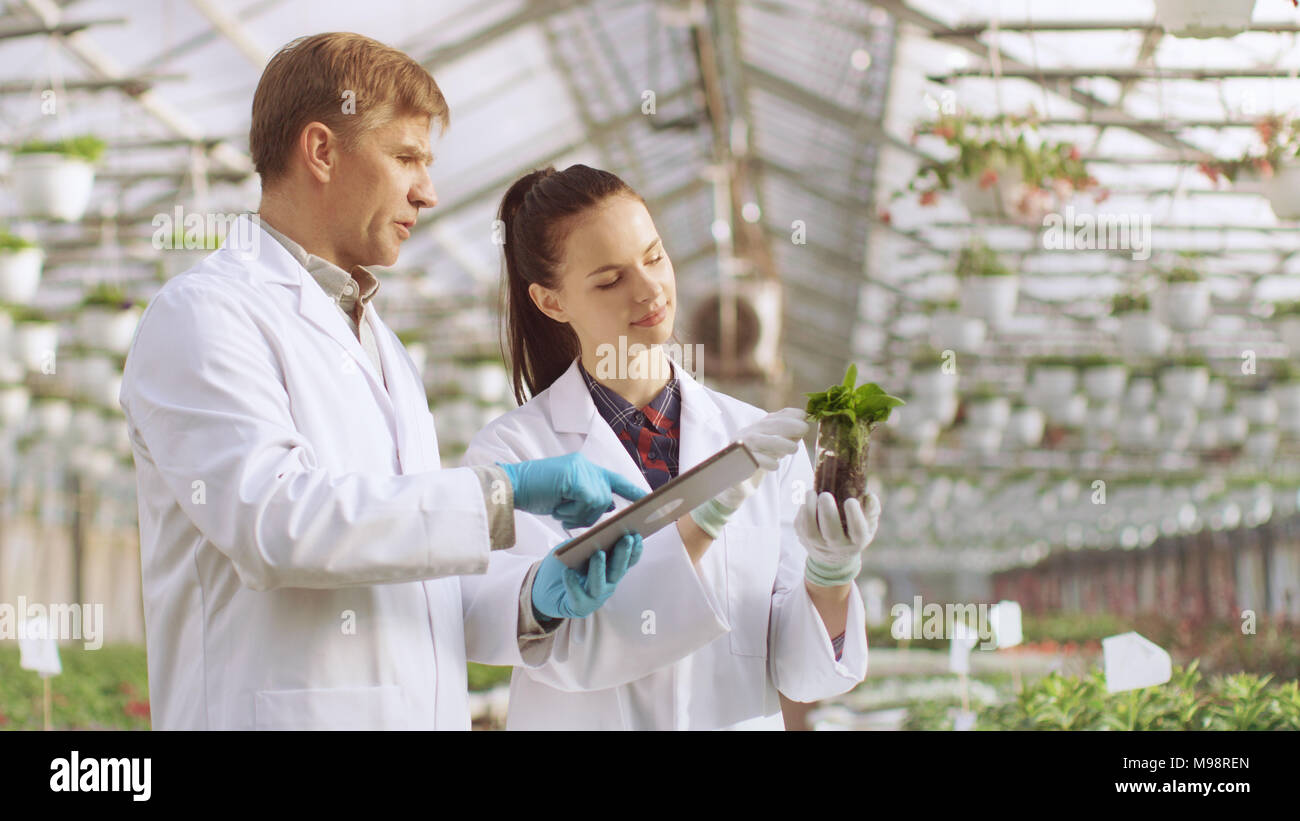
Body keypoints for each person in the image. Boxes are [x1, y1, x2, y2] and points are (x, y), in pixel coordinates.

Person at [118, 34, 645, 730]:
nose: (428, 192)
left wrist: (534, 597)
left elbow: (410, 579)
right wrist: (500, 494)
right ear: (322, 150)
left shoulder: (383, 346)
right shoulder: (205, 315)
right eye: (406, 158)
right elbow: (278, 523)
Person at [459, 164, 879, 730]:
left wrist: (829, 577)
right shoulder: (513, 456)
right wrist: (701, 515)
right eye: (610, 280)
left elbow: (799, 673)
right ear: (551, 302)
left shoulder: (756, 442)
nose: (650, 289)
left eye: (655, 257)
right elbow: (564, 652)